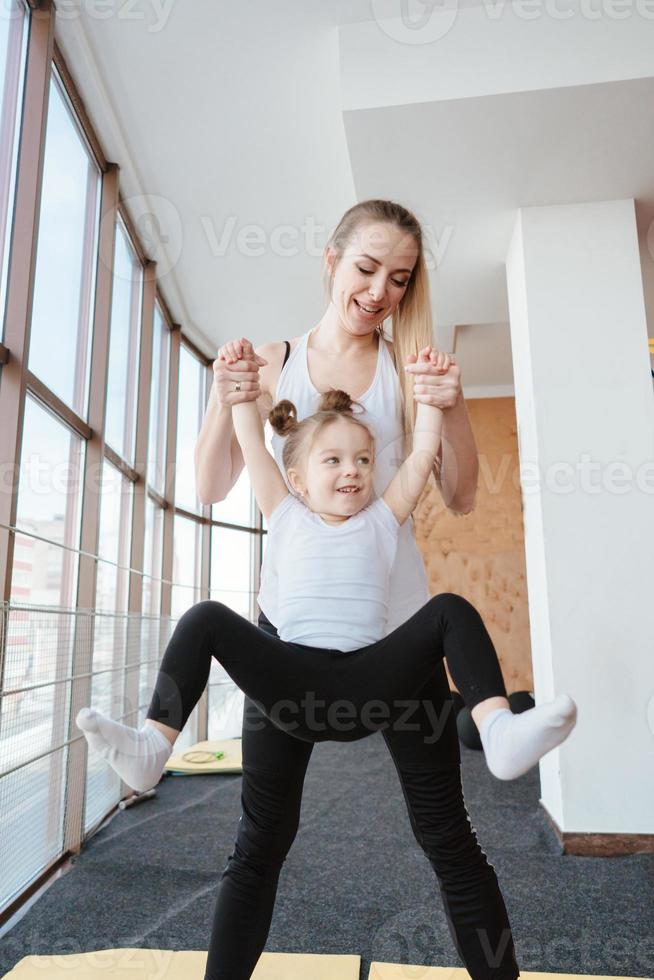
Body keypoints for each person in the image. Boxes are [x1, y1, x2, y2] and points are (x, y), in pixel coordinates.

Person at [77, 199, 576, 980]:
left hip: (397, 644)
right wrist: (224, 395)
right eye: (367, 268)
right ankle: (151, 747)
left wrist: (450, 406)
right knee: (259, 848)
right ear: (331, 259)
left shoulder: (411, 368)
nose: (381, 290)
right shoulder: (275, 362)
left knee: (449, 839)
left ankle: (501, 733)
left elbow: (464, 494)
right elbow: (212, 484)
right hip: (291, 645)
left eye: (400, 279)